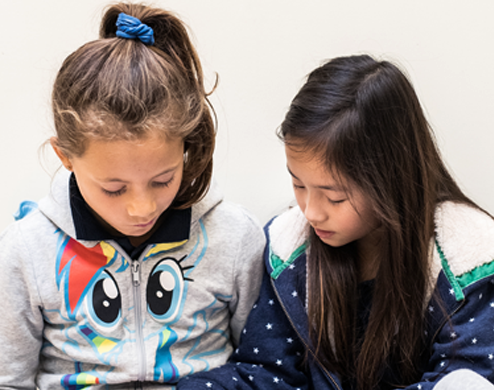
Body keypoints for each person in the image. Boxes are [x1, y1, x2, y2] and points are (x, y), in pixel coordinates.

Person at [176, 55, 494, 390]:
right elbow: (268, 372)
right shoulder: (290, 250)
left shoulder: (466, 261)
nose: (311, 212)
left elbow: (471, 376)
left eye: (335, 196)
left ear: (390, 180)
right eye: (298, 184)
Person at [0, 3, 265, 389]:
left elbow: (262, 368)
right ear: (65, 157)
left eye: (162, 180)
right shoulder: (25, 252)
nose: (141, 207)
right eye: (113, 188)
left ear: (186, 147)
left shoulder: (237, 237)